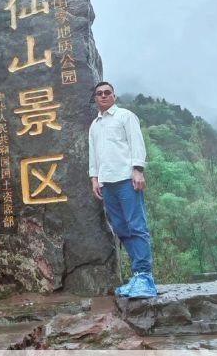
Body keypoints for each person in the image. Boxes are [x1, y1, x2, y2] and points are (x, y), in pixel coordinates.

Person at [88, 81, 157, 298]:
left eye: (107, 92)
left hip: (127, 180)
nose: (104, 96)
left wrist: (138, 170)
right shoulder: (94, 125)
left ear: (114, 96)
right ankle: (137, 276)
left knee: (136, 225)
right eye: (99, 93)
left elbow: (137, 143)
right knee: (121, 228)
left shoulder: (125, 116)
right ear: (95, 98)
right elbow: (94, 154)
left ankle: (145, 277)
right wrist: (94, 178)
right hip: (107, 183)